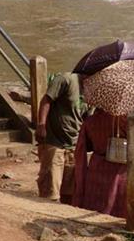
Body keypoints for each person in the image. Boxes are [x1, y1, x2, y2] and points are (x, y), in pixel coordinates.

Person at [36, 72, 89, 204]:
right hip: (55, 142)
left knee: (70, 191)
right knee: (50, 191)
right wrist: (41, 125)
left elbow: (87, 118)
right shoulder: (66, 80)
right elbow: (46, 100)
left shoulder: (93, 91)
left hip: (74, 144)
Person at [72, 109, 127, 217]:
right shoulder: (128, 122)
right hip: (121, 170)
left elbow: (83, 148)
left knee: (94, 206)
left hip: (97, 168)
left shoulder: (91, 121)